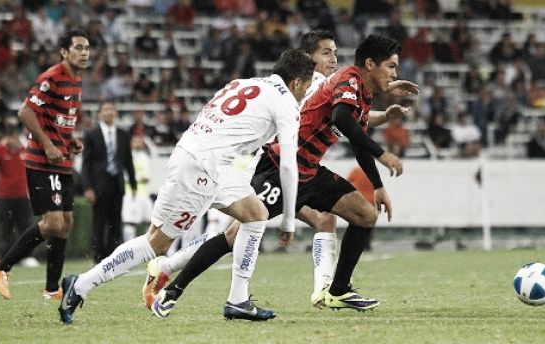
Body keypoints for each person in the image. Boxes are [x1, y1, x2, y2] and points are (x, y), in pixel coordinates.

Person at [142, 30, 419, 310]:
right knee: (234, 235)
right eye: (326, 53)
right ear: (305, 60)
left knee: (362, 214)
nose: (333, 58)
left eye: (335, 52)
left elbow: (354, 121)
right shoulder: (323, 82)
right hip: (278, 166)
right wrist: (382, 153)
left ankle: (334, 290)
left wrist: (378, 182)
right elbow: (343, 117)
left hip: (308, 170)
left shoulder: (352, 89)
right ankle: (172, 285)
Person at [57, 49, 315, 324]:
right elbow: (288, 164)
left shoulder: (244, 83)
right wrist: (289, 220)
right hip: (202, 168)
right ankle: (81, 284)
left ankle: (238, 300)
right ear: (296, 82)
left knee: (256, 214)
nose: (304, 93)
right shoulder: (286, 101)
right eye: (306, 86)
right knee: (156, 242)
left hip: (201, 157)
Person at [0, 30, 89, 300]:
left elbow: (56, 117)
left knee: (66, 222)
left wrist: (71, 139)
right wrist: (47, 144)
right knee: (53, 223)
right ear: (64, 52)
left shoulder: (76, 80)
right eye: (78, 47)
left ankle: (52, 288)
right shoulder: (52, 77)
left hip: (61, 158)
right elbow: (25, 111)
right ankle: (1, 267)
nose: (85, 52)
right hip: (43, 161)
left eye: (87, 48)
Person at [81, 101, 137, 263]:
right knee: (99, 222)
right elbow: (86, 163)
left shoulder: (123, 134)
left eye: (111, 110)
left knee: (116, 222)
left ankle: (113, 258)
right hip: (99, 185)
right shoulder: (92, 135)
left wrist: (132, 183)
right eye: (105, 110)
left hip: (117, 184)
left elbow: (128, 160)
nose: (108, 113)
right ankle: (98, 258)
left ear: (116, 113)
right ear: (99, 114)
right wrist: (88, 187)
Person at [0, 130, 35, 266]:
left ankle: (26, 257)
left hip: (22, 197)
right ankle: (3, 258)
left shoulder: (23, 151)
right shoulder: (1, 152)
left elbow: (32, 159)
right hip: (5, 198)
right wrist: (2, 145)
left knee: (25, 228)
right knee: (5, 229)